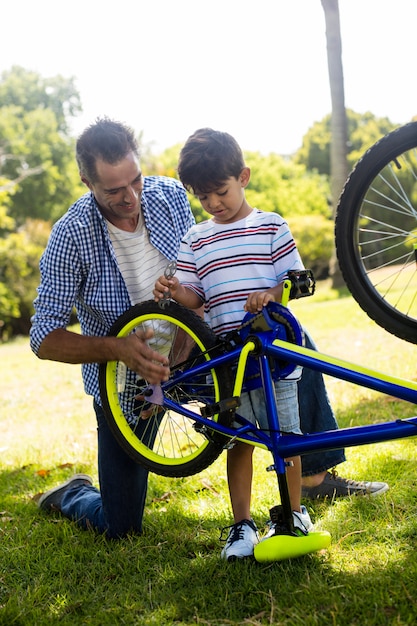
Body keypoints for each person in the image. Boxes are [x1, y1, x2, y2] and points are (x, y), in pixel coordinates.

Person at [31, 118, 387, 542]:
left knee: (287, 344)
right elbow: (43, 337)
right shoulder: (71, 235)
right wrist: (119, 349)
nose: (131, 197)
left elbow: (207, 270)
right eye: (114, 190)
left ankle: (313, 475)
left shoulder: (166, 196)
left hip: (200, 355)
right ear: (86, 181)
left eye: (136, 181)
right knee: (121, 525)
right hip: (127, 381)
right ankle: (73, 493)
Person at [154, 128, 316, 560]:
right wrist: (173, 290)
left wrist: (273, 292)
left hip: (274, 352)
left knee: (288, 437)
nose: (213, 204)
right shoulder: (196, 238)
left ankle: (294, 514)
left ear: (242, 177)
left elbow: (300, 282)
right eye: (203, 197)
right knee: (239, 439)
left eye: (220, 192)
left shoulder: (270, 225)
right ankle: (241, 525)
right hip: (229, 359)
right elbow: (195, 297)